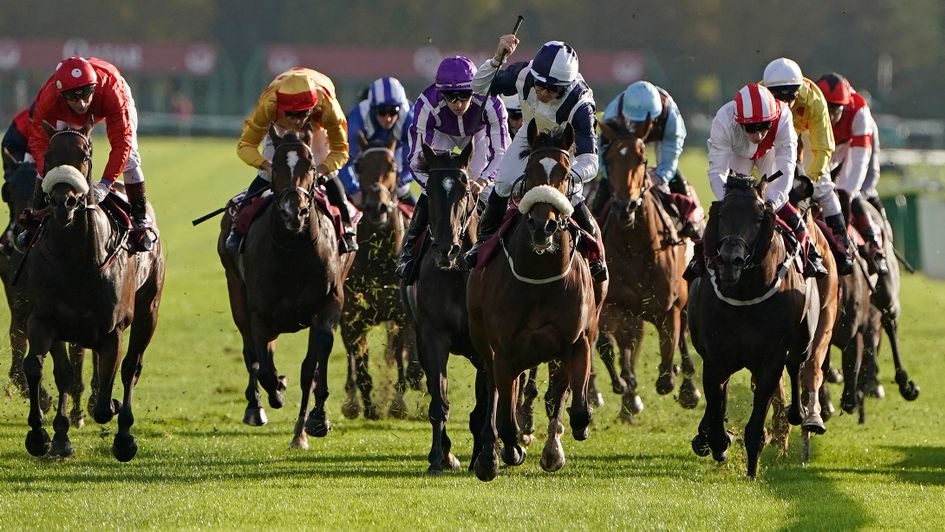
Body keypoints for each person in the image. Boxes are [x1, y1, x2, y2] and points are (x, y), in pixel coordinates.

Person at [466, 36, 607, 282]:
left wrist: (569, 176)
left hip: (564, 146)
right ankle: (481, 244)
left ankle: (596, 258)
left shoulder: (581, 105)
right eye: (540, 85)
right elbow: (478, 87)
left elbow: (591, 161)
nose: (543, 92)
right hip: (530, 134)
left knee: (572, 196)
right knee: (503, 183)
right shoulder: (524, 73)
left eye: (553, 90)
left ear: (567, 86)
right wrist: (498, 57)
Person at [694, 82, 827, 279]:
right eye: (751, 127)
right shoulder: (723, 120)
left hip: (769, 153)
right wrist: (731, 200)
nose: (759, 134)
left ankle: (809, 250)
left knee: (778, 200)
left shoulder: (782, 116)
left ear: (772, 119)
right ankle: (700, 256)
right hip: (739, 155)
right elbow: (717, 171)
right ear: (738, 121)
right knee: (730, 205)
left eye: (765, 126)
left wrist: (772, 203)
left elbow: (785, 167)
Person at [395, 56, 509, 279]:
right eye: (450, 96)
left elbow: (501, 153)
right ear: (440, 93)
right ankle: (409, 252)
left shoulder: (492, 102)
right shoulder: (426, 104)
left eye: (464, 95)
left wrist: (483, 180)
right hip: (441, 136)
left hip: (477, 135)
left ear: (474, 90)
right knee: (437, 191)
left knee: (488, 192)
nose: (458, 103)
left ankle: (503, 250)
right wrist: (435, 186)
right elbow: (416, 157)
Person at [28, 56, 155, 252]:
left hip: (110, 98)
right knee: (53, 156)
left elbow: (122, 143)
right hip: (65, 113)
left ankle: (140, 220)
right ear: (62, 95)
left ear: (93, 87)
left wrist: (105, 184)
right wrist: (46, 170)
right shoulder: (49, 97)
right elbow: (37, 141)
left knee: (130, 158)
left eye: (86, 94)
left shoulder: (111, 90)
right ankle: (35, 220)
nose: (81, 104)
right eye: (73, 97)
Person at [231, 67, 357, 253]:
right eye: (291, 114)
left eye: (302, 113)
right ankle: (237, 231)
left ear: (313, 106)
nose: (297, 121)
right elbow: (245, 146)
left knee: (331, 175)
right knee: (266, 176)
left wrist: (322, 169)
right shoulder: (269, 105)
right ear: (281, 108)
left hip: (315, 127)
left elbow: (341, 150)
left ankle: (347, 229)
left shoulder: (328, 107)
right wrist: (267, 165)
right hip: (279, 128)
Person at [762, 58, 854, 274]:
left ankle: (842, 244)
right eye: (778, 98)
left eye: (789, 98)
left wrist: (810, 181)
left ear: (799, 91)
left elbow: (823, 148)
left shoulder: (813, 100)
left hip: (805, 133)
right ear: (768, 91)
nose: (784, 104)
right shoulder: (760, 97)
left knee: (823, 184)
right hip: (774, 140)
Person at [597, 80, 699, 239]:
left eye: (644, 122)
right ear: (625, 114)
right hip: (623, 139)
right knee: (606, 183)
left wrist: (655, 178)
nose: (639, 128)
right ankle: (593, 223)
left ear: (655, 116)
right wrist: (612, 178)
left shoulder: (670, 118)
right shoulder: (612, 115)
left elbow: (668, 161)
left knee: (676, 179)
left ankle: (691, 223)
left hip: (662, 139)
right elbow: (602, 154)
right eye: (636, 122)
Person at [816, 73, 888, 275]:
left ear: (845, 106)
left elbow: (856, 167)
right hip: (832, 145)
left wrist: (845, 192)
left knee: (855, 189)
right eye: (826, 108)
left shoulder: (859, 114)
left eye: (835, 109)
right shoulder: (811, 110)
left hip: (858, 143)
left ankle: (876, 246)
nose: (829, 116)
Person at [338, 76, 416, 207]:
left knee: (404, 192)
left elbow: (414, 161)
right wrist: (354, 190)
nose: (388, 118)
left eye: (393, 111)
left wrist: (397, 183)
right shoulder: (358, 120)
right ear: (372, 109)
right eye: (382, 112)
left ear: (400, 108)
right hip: (363, 161)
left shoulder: (409, 119)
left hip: (395, 157)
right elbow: (343, 160)